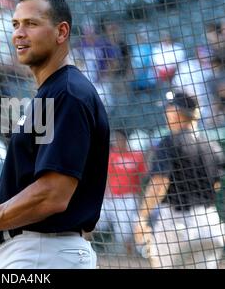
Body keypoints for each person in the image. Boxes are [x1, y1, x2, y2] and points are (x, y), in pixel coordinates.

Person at [0, 0, 110, 269]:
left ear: (61, 32)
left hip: (42, 253)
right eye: (15, 24)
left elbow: (53, 194)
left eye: (32, 23)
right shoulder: (53, 92)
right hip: (41, 252)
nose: (19, 33)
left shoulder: (67, 94)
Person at [134, 90, 225, 268]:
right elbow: (216, 185)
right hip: (210, 225)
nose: (166, 112)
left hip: (177, 226)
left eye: (169, 108)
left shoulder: (169, 142)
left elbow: (160, 183)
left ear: (177, 112)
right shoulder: (213, 145)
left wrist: (142, 217)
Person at [96, 129, 147, 255]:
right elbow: (105, 176)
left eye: (118, 139)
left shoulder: (137, 155)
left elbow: (142, 178)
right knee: (90, 222)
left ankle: (130, 259)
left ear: (125, 140)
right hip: (110, 198)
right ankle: (81, 252)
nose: (116, 142)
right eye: (114, 139)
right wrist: (105, 195)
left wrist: (141, 199)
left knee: (125, 234)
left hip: (128, 199)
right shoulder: (110, 156)